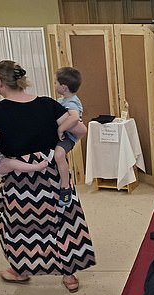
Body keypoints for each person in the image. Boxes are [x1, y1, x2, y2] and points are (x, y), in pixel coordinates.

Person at [0, 60, 95, 293]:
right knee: (62, 223)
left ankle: (21, 270)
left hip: (19, 179)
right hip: (52, 173)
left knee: (21, 227)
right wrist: (58, 138)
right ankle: (69, 276)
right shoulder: (48, 105)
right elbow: (79, 129)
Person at [54, 66, 88, 207]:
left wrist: (61, 129)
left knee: (59, 155)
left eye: (56, 82)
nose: (54, 84)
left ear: (64, 87)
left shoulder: (72, 102)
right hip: (64, 135)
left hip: (68, 137)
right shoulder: (64, 100)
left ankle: (65, 187)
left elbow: (74, 118)